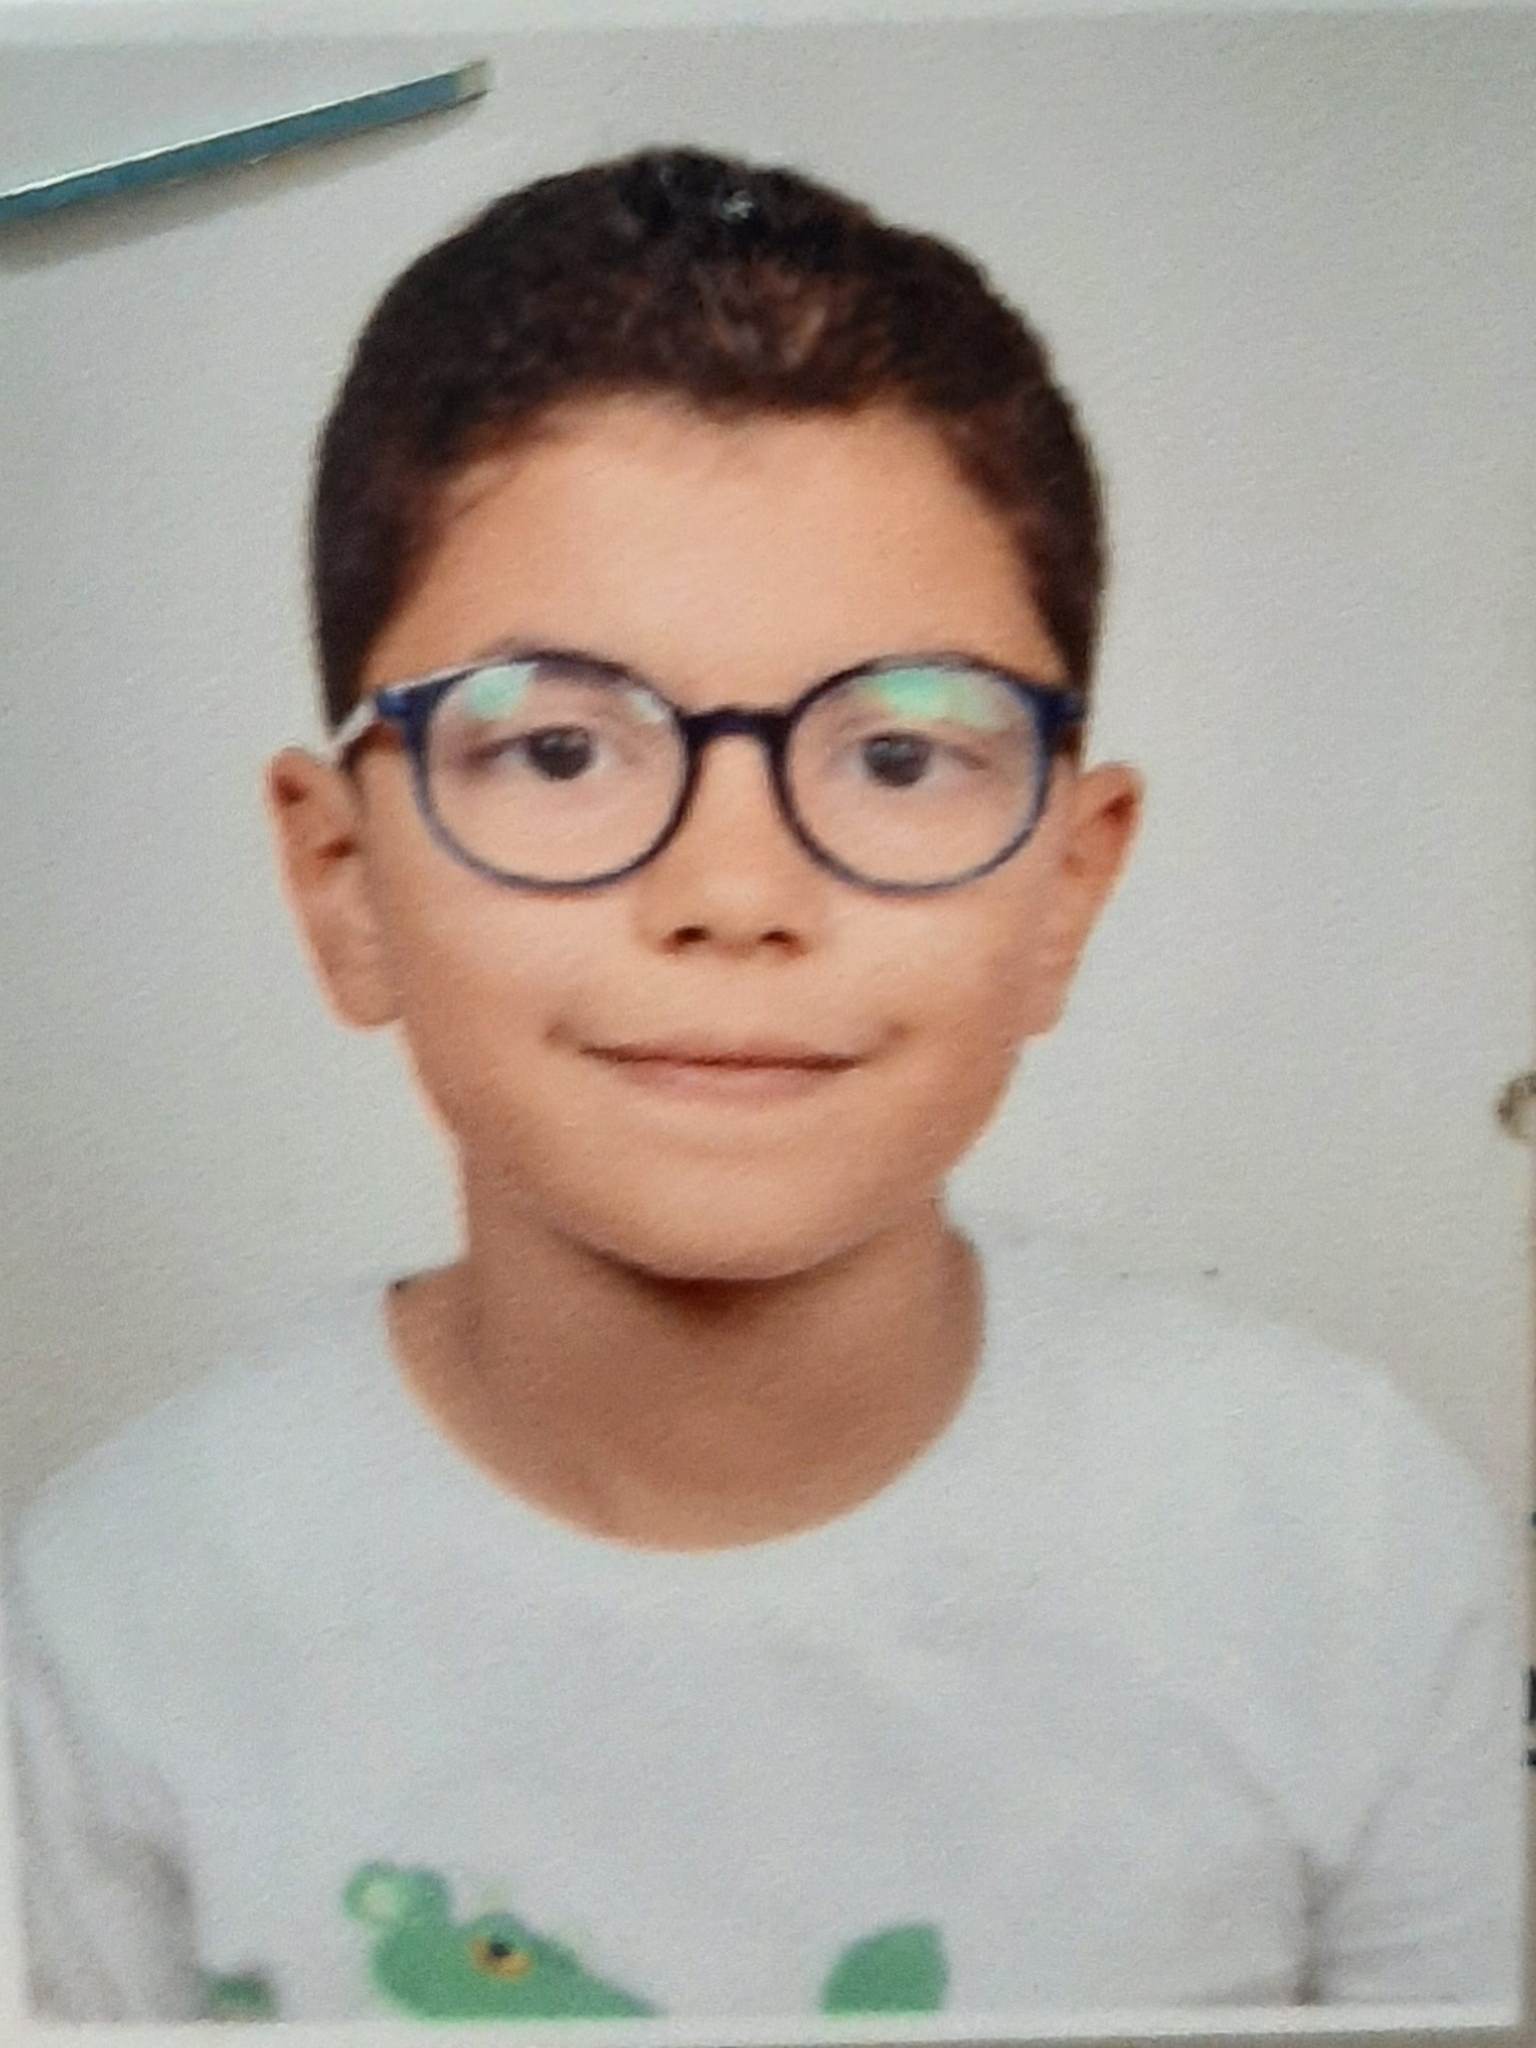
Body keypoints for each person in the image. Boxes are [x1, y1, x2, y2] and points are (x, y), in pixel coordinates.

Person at [6, 146, 1520, 2027]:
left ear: (1068, 887)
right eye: (559, 747)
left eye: (900, 755)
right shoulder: (119, 1612)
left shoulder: (1344, 1544)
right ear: (342, 882)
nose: (734, 893)